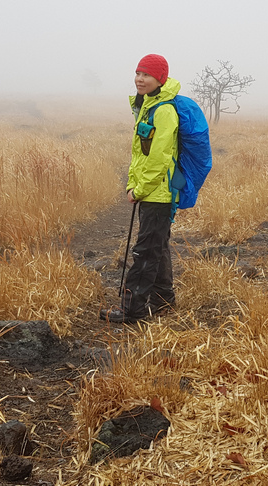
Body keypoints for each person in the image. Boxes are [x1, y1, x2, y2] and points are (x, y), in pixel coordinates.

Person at [100, 54, 179, 324]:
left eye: (146, 74)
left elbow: (159, 157)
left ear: (161, 79)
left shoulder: (164, 110)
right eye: (137, 73)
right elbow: (141, 154)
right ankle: (163, 298)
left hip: (159, 193)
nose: (139, 79)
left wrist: (140, 188)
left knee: (145, 250)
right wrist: (134, 183)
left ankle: (131, 309)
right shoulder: (148, 105)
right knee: (157, 245)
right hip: (153, 192)